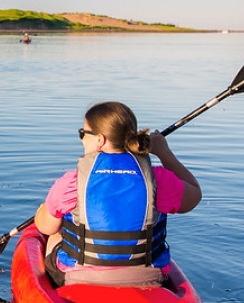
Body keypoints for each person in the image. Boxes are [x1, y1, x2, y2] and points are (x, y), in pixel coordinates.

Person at [34, 101, 201, 287]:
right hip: (149, 276)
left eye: (83, 134)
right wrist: (164, 153)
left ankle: (52, 293)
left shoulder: (72, 181)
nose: (81, 139)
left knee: (55, 235)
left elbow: (45, 228)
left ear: (100, 139)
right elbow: (195, 194)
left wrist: (44, 209)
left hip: (80, 278)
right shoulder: (158, 179)